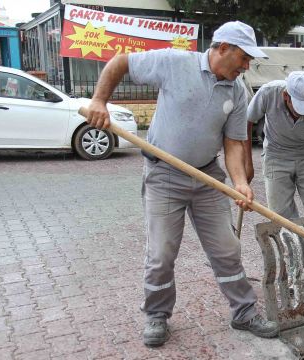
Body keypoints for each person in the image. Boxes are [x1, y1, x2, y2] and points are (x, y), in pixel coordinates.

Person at [83, 21, 279, 347]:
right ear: (223, 48)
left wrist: (240, 182)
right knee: (161, 253)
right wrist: (99, 101)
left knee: (227, 249)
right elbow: (120, 63)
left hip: (207, 177)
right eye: (245, 58)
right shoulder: (174, 63)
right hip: (164, 175)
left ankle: (244, 312)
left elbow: (232, 145)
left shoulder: (237, 91)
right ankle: (157, 315)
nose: (247, 66)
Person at [245, 71, 304, 229]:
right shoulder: (268, 93)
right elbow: (247, 122)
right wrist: (247, 164)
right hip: (276, 155)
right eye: (300, 106)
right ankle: (293, 251)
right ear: (286, 96)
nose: (303, 112)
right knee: (281, 217)